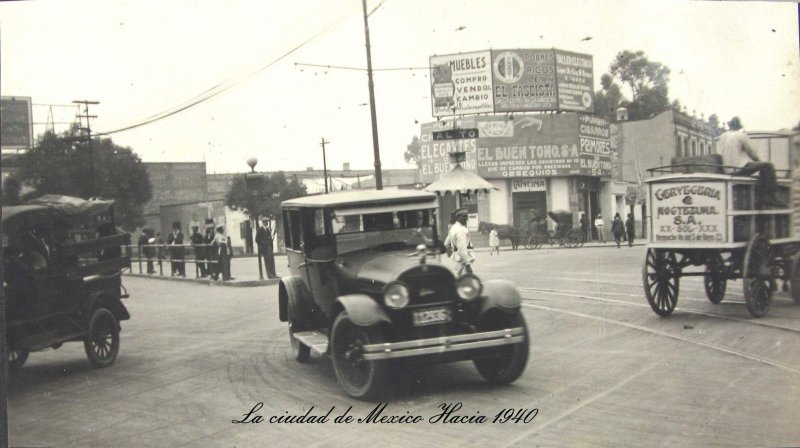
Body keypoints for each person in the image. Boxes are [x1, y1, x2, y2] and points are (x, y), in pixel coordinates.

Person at [717, 116, 785, 208]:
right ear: (738, 126)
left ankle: (763, 196)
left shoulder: (722, 136)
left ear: (730, 126)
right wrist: (759, 162)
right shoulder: (741, 135)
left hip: (726, 169)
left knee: (762, 167)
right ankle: (768, 196)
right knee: (768, 166)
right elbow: (752, 153)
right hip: (739, 168)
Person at [444, 208, 475, 276]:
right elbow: (462, 249)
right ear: (458, 217)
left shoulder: (453, 228)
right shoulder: (461, 230)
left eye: (466, 216)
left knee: (458, 278)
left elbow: (446, 244)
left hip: (459, 261)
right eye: (464, 216)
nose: (466, 218)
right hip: (463, 262)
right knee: (466, 282)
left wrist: (452, 253)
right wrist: (468, 265)